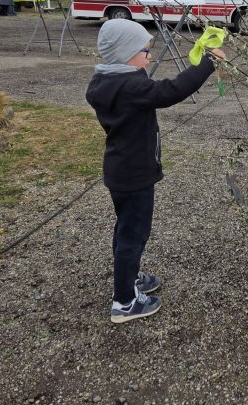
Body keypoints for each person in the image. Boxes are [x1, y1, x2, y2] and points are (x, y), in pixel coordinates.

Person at [86, 19, 224, 323]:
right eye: (145, 52)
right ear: (125, 56)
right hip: (135, 176)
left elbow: (146, 82)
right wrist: (208, 63)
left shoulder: (105, 82)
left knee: (126, 231)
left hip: (119, 172)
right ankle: (124, 303)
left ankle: (129, 278)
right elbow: (170, 91)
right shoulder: (133, 87)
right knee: (134, 235)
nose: (150, 56)